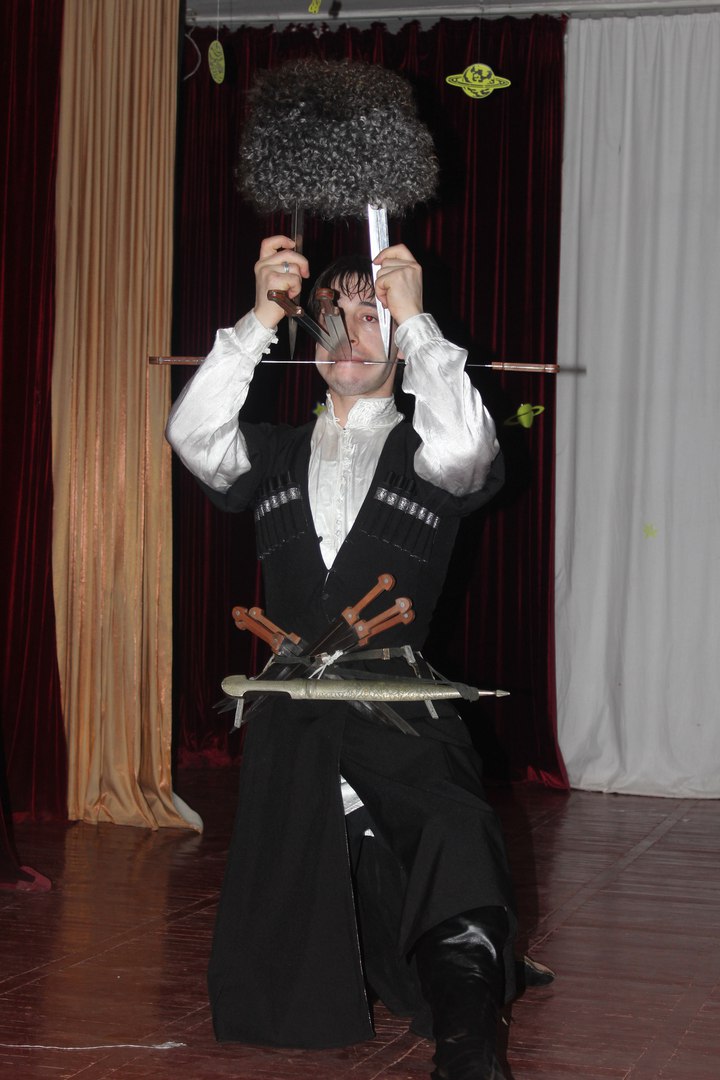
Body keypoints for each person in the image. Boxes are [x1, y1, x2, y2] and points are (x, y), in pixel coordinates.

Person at [166, 235, 517, 1080]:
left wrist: (415, 321)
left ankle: (470, 1047)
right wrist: (260, 318)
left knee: (454, 830)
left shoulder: (431, 448)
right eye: (330, 317)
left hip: (398, 704)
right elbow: (193, 433)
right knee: (317, 897)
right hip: (292, 715)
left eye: (369, 317)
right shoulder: (275, 454)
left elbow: (468, 449)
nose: (348, 335)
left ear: (397, 338)